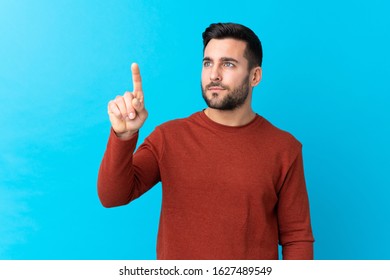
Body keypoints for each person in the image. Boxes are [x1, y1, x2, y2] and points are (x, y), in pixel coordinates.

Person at [98, 22, 314, 260]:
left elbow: (296, 237)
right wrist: (124, 136)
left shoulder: (284, 148)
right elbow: (113, 196)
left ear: (255, 76)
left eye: (228, 64)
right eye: (207, 63)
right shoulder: (169, 137)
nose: (214, 74)